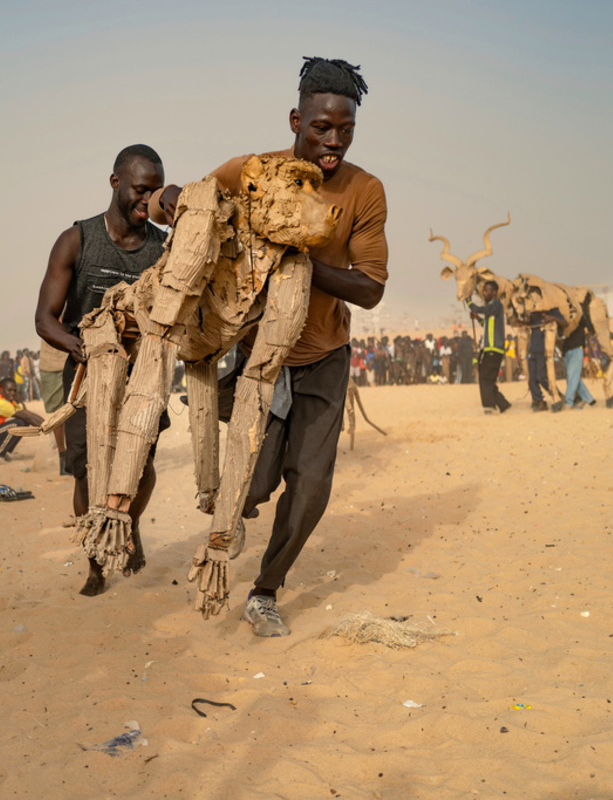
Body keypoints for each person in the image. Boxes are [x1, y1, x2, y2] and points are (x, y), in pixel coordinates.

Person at [156, 58, 387, 636]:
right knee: (253, 483)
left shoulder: (364, 191)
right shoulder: (254, 172)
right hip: (261, 357)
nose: (333, 142)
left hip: (324, 356)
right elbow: (185, 201)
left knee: (310, 488)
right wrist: (171, 200)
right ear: (295, 120)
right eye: (322, 128)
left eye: (345, 130)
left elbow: (370, 288)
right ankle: (236, 503)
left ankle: (265, 591)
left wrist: (298, 256)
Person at [33, 143, 168, 595]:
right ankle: (95, 562)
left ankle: (129, 524)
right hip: (85, 375)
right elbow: (45, 319)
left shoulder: (161, 249)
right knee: (89, 473)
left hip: (141, 377)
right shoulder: (77, 240)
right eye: (140, 190)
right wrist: (84, 349)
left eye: (155, 192)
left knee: (141, 467)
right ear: (115, 183)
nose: (147, 201)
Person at [468, 279, 511, 414]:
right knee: (488, 380)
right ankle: (503, 404)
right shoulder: (491, 309)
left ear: (494, 292)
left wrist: (469, 303)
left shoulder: (496, 305)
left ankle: (489, 407)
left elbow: (483, 309)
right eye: (484, 291)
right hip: (487, 349)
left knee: (485, 379)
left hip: (494, 349)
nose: (484, 293)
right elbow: (486, 326)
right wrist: (477, 318)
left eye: (487, 291)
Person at [552, 305, 598, 411]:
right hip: (566, 349)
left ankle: (568, 402)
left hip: (577, 347)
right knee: (573, 377)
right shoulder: (562, 314)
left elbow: (590, 327)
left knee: (571, 375)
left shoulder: (580, 314)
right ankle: (590, 400)